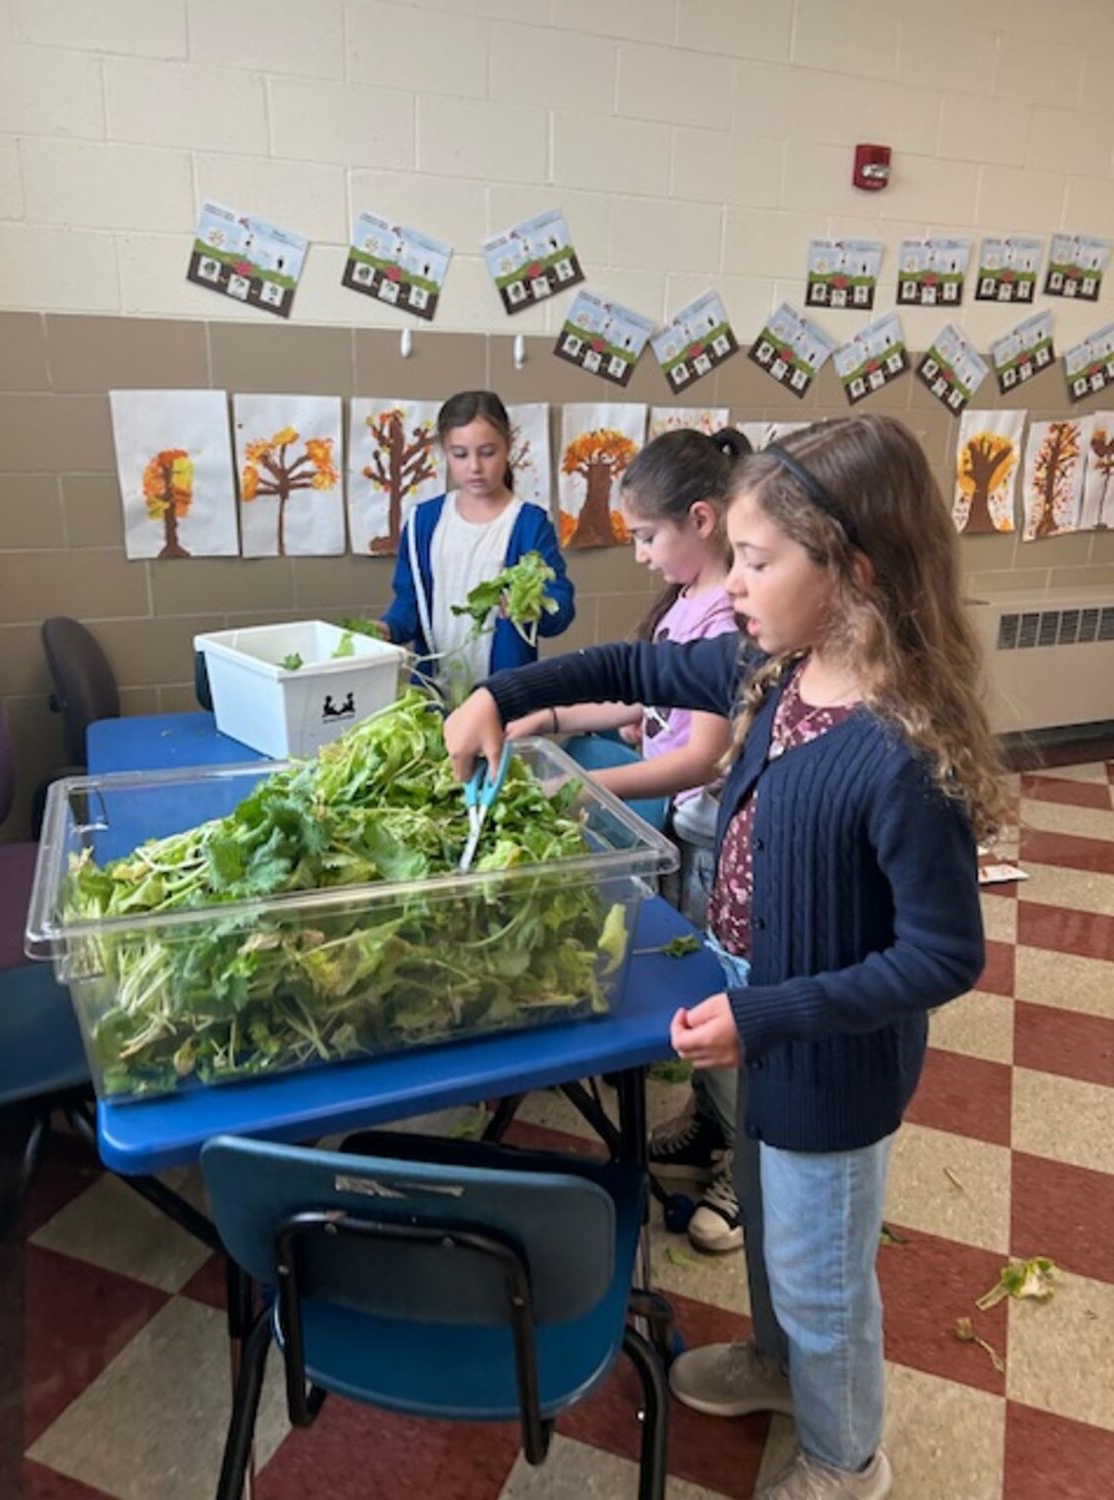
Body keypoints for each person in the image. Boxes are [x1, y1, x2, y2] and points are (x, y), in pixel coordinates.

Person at [443, 414, 1005, 1500]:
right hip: (762, 1013)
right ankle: (778, 1364)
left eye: (756, 561)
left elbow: (942, 957)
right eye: (735, 558)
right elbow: (634, 658)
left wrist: (769, 1017)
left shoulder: (900, 751)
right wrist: (499, 695)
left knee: (823, 1272)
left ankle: (848, 1458)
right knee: (761, 1204)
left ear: (854, 570)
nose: (732, 584)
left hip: (827, 1053)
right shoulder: (776, 665)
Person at [505, 425, 751, 1254]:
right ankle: (708, 1125)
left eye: (648, 536)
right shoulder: (685, 602)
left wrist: (577, 787)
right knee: (693, 993)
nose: (640, 555)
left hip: (714, 834)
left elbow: (699, 754)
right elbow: (638, 694)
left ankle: (743, 1172)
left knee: (723, 997)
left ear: (702, 520)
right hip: (686, 828)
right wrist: (548, 713)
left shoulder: (726, 617)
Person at [377, 390, 574, 700]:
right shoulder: (422, 522)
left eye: (487, 452)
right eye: (460, 454)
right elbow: (410, 601)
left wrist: (531, 606)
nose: (474, 467)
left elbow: (561, 607)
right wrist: (388, 629)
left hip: (505, 695)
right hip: (433, 691)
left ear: (508, 446)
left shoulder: (529, 524)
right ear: (444, 452)